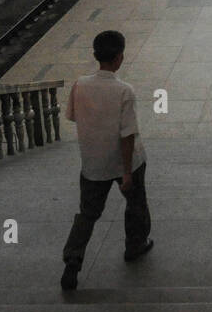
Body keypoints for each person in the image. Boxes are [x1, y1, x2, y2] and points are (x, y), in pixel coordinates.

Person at [60, 30, 153, 290]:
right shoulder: (124, 91)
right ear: (120, 57)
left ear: (95, 55)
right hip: (127, 163)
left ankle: (73, 260)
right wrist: (125, 173)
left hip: (92, 164)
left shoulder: (80, 85)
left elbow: (74, 117)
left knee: (87, 214)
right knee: (136, 204)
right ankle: (135, 246)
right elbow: (127, 136)